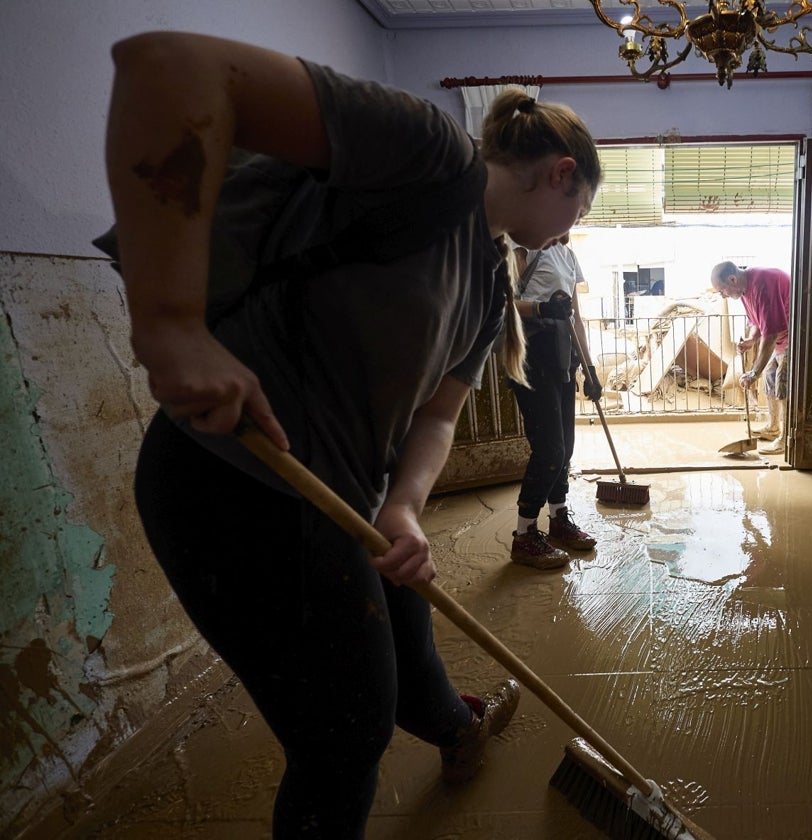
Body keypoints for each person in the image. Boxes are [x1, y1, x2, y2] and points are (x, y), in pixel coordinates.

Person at [102, 31, 600, 838]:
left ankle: (456, 728)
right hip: (240, 481)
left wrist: (405, 508)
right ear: (561, 174)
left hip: (352, 503)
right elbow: (168, 65)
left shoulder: (485, 287)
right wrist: (170, 325)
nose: (571, 229)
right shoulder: (430, 155)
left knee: (407, 638)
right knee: (344, 736)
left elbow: (437, 417)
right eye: (579, 211)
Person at [507, 235, 603, 569]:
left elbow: (575, 317)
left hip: (563, 355)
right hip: (531, 355)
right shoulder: (520, 250)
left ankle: (558, 519)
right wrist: (542, 308)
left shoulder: (568, 255)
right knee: (550, 449)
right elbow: (499, 303)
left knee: (567, 447)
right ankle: (525, 535)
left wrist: (590, 368)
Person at [710, 261, 792, 455]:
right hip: (781, 338)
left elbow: (770, 335)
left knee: (783, 384)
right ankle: (773, 428)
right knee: (770, 377)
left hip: (794, 337)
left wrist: (754, 372)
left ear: (732, 279)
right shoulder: (745, 290)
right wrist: (751, 340)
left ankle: (786, 439)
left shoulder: (762, 284)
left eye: (722, 290)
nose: (723, 295)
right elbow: (757, 322)